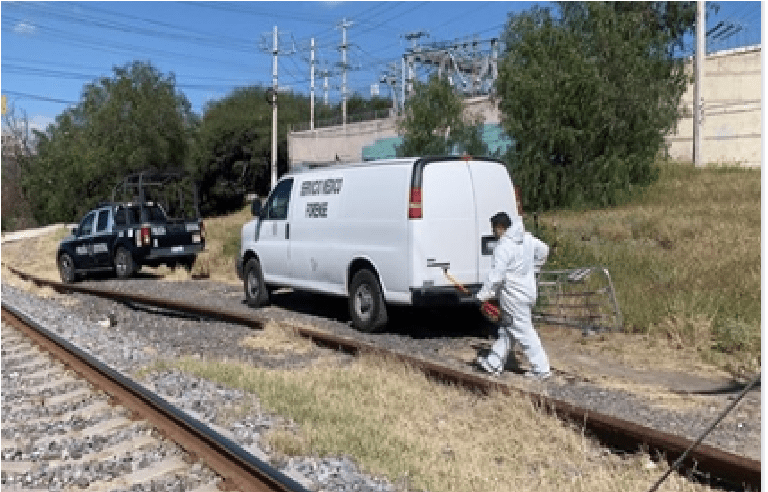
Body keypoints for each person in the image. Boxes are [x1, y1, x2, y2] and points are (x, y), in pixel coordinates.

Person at [475, 211, 551, 380]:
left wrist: (483, 295)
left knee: (524, 331)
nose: (494, 233)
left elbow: (497, 275)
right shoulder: (527, 239)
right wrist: (535, 269)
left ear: (500, 227)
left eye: (494, 229)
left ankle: (541, 368)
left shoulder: (503, 247)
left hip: (513, 295)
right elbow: (544, 250)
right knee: (508, 329)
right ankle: (493, 363)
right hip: (528, 292)